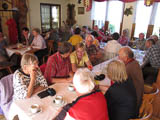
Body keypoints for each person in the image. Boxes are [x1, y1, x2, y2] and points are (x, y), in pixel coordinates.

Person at [118, 47, 144, 111]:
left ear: (126, 58)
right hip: (139, 94)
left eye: (120, 57)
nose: (118, 58)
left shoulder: (128, 68)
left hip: (134, 102)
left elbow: (119, 84)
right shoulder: (135, 62)